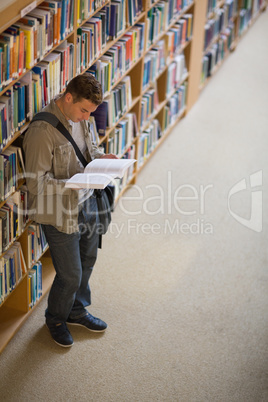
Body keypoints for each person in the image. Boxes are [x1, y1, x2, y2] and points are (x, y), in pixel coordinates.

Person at [23, 73, 117, 347]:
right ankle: (55, 318)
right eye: (84, 110)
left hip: (88, 200)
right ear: (68, 98)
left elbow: (90, 152)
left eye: (91, 112)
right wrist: (72, 185)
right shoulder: (42, 132)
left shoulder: (83, 120)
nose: (87, 117)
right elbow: (35, 184)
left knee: (88, 260)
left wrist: (103, 159)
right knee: (70, 273)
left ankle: (76, 310)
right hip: (60, 212)